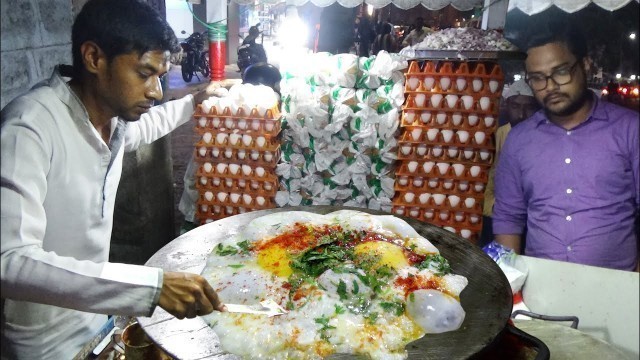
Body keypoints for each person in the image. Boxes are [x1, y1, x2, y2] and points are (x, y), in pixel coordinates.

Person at [0, 0, 225, 358]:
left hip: (97, 319)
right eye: (143, 73)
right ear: (93, 58)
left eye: (160, 77)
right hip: (44, 342)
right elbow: (9, 259)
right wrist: (150, 288)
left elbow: (149, 127)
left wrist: (194, 102)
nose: (155, 91)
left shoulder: (112, 122)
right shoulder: (30, 127)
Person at [492, 20, 639, 271]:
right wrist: (512, 283)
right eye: (537, 78)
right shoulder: (519, 141)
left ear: (585, 65)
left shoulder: (630, 129)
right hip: (540, 286)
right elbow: (508, 218)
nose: (550, 86)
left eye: (560, 72)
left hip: (619, 284)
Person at [481, 80, 540, 247]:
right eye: (515, 107)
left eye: (528, 108)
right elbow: (490, 174)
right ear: (506, 106)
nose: (521, 114)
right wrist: (490, 205)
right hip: (497, 213)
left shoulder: (541, 138)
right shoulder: (498, 135)